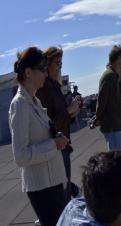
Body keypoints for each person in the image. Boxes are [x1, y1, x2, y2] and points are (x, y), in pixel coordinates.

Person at [9, 47, 69, 226]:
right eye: (42, 68)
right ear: (28, 72)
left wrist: (55, 138)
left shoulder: (32, 101)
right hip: (42, 187)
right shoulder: (19, 104)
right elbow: (21, 156)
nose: (46, 73)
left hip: (51, 182)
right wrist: (54, 144)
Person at [37, 46, 81, 200]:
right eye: (58, 63)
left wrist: (72, 112)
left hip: (63, 144)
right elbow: (49, 124)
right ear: (47, 65)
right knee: (62, 191)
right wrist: (69, 111)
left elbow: (60, 118)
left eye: (61, 64)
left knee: (64, 188)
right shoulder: (45, 88)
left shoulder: (55, 85)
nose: (60, 67)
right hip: (57, 147)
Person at [95, 45, 121, 150]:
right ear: (118, 58)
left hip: (116, 124)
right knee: (118, 159)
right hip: (113, 126)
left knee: (120, 157)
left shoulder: (113, 75)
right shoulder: (109, 76)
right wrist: (98, 118)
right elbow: (101, 101)